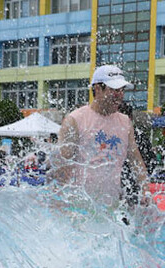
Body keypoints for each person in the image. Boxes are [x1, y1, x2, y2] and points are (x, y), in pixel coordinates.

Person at [51, 65, 150, 207]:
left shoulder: (125, 122)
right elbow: (63, 167)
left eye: (122, 90)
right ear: (97, 89)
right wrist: (59, 205)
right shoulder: (75, 120)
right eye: (114, 90)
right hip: (79, 205)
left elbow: (136, 161)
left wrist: (145, 190)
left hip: (111, 205)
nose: (120, 95)